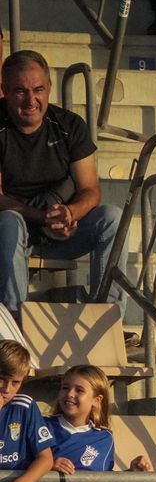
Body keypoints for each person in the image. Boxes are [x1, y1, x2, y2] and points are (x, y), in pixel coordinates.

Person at [0, 50, 123, 315]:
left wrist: (70, 213)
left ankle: (108, 317)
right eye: (20, 91)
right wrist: (43, 217)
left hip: (62, 229)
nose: (31, 100)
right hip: (11, 232)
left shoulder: (69, 125)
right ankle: (15, 322)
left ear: (49, 87)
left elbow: (90, 189)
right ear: (5, 91)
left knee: (112, 218)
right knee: (8, 222)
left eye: (38, 90)